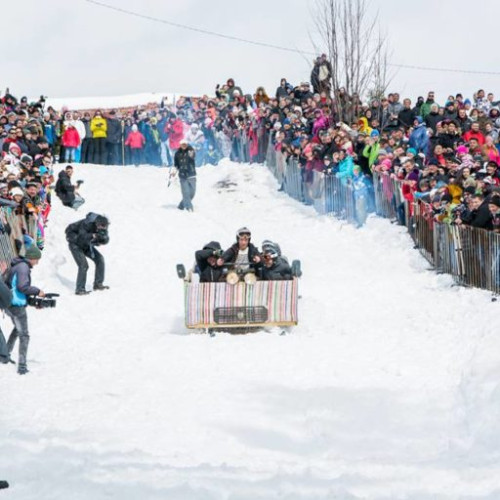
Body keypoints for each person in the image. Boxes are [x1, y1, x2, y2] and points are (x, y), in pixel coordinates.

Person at [3, 245, 45, 374]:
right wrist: (38, 291)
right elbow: (22, 287)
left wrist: (32, 302)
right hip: (16, 305)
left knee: (17, 329)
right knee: (24, 335)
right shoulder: (23, 268)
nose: (37, 262)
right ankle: (22, 366)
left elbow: (17, 288)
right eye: (37, 259)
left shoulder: (18, 265)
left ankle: (6, 354)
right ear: (32, 258)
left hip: (9, 304)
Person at [65, 213, 110, 295]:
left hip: (86, 245)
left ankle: (98, 284)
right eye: (101, 226)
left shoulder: (103, 228)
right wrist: (92, 236)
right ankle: (80, 289)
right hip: (75, 244)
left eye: (105, 226)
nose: (103, 228)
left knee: (100, 259)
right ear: (97, 224)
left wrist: (102, 239)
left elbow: (105, 240)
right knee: (83, 265)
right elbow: (81, 238)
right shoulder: (87, 224)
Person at [173, 139, 196, 211]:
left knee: (192, 193)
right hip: (182, 175)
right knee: (186, 192)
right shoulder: (177, 153)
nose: (184, 146)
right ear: (180, 145)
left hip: (191, 174)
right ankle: (189, 207)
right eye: (182, 144)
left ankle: (181, 205)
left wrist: (190, 149)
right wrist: (174, 171)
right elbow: (176, 164)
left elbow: (192, 156)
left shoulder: (190, 151)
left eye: (185, 144)